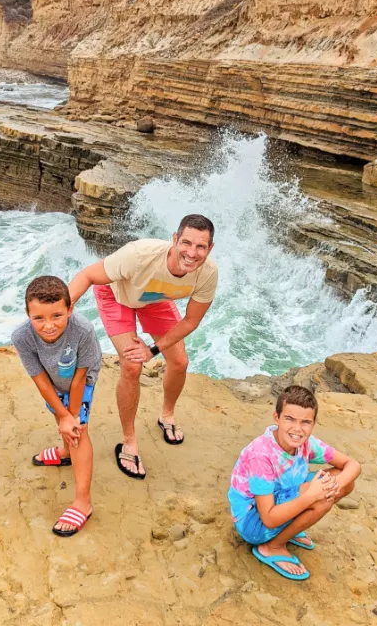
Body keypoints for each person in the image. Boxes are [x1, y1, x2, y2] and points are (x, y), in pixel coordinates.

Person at [68, 214, 217, 479]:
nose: (192, 253)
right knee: (132, 366)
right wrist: (62, 311)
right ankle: (129, 441)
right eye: (186, 243)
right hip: (115, 295)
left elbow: (191, 320)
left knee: (180, 362)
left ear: (210, 248)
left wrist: (153, 349)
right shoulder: (139, 255)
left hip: (154, 299)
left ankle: (167, 415)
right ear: (174, 239)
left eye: (201, 247)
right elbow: (89, 275)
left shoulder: (207, 274)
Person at [228, 385, 361, 580]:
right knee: (322, 497)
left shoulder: (307, 442)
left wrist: (332, 487)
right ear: (276, 418)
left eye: (305, 422)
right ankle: (272, 547)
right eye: (289, 419)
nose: (297, 429)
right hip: (253, 522)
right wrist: (312, 496)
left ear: (314, 423)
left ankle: (289, 529)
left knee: (344, 483)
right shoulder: (261, 455)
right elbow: (269, 519)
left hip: (281, 498)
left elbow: (352, 465)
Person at [12, 275, 102, 537]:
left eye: (57, 316)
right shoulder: (22, 336)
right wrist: (62, 415)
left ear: (69, 309)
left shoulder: (83, 330)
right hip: (51, 379)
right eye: (38, 318)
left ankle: (82, 502)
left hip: (80, 380)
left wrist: (71, 417)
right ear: (28, 314)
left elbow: (79, 378)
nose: (48, 325)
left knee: (78, 430)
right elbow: (40, 379)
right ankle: (65, 450)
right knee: (60, 415)